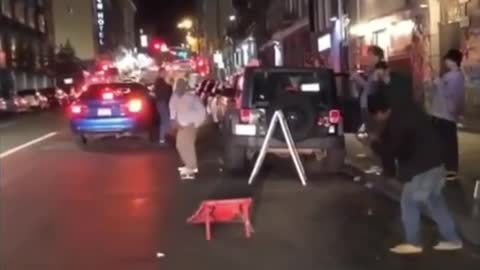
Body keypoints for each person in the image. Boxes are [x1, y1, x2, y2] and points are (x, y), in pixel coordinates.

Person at [368, 91, 462, 255]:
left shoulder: (397, 121)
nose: (377, 120)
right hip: (437, 162)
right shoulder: (408, 110)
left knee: (408, 202)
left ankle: (413, 242)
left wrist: (375, 144)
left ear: (381, 111)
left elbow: (396, 150)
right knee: (435, 200)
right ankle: (453, 239)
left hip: (423, 167)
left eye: (376, 116)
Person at [430, 49, 465, 181]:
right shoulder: (448, 75)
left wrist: (439, 84)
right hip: (438, 113)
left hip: (446, 115)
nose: (445, 61)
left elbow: (452, 96)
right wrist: (435, 84)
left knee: (449, 143)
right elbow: (440, 92)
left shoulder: (457, 77)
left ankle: (451, 169)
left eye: (447, 59)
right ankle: (443, 167)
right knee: (440, 142)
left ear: (454, 61)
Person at [169, 74, 206, 180]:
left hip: (188, 126)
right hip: (185, 125)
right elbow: (176, 111)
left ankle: (191, 167)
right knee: (182, 145)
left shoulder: (188, 97)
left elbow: (200, 112)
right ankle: (190, 166)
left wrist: (194, 122)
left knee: (185, 145)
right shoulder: (180, 97)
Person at [153, 69, 173, 145]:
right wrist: (170, 86)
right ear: (161, 73)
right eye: (164, 73)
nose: (165, 74)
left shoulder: (159, 81)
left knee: (164, 120)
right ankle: (163, 138)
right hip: (162, 102)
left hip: (161, 102)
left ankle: (163, 139)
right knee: (165, 120)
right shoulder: (160, 81)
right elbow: (165, 90)